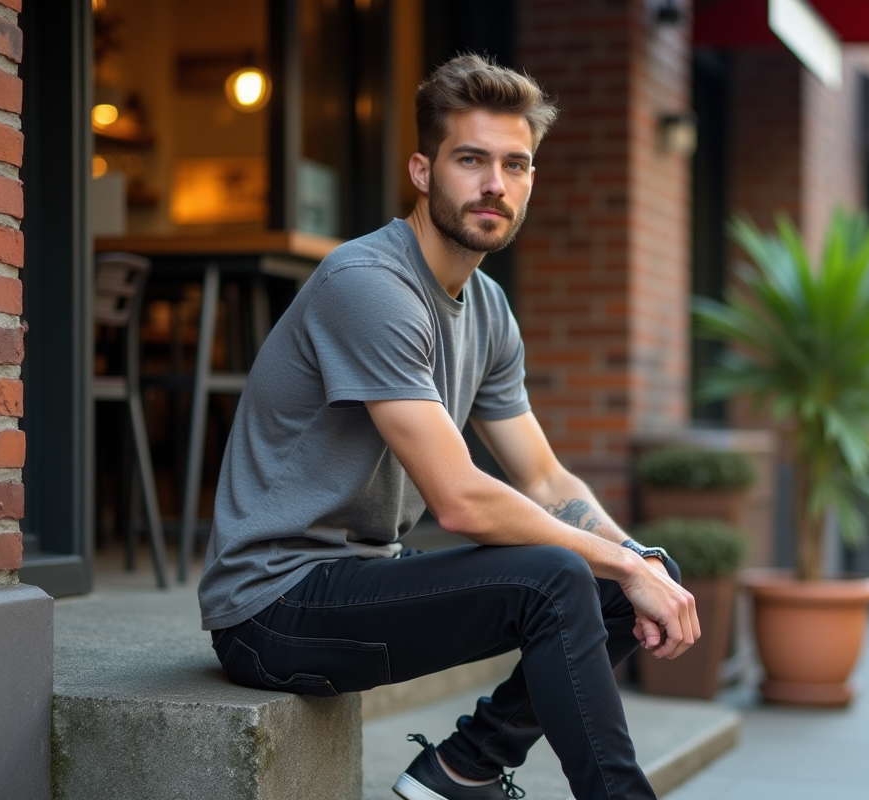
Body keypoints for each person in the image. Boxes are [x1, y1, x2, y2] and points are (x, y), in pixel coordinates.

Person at [197, 54, 699, 800]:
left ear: (530, 180)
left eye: (514, 164)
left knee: (633, 575)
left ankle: (462, 770)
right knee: (564, 575)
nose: (495, 183)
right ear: (422, 171)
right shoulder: (370, 284)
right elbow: (461, 500)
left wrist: (637, 562)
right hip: (272, 608)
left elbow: (545, 477)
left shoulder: (488, 308)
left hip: (363, 576)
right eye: (471, 160)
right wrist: (619, 563)